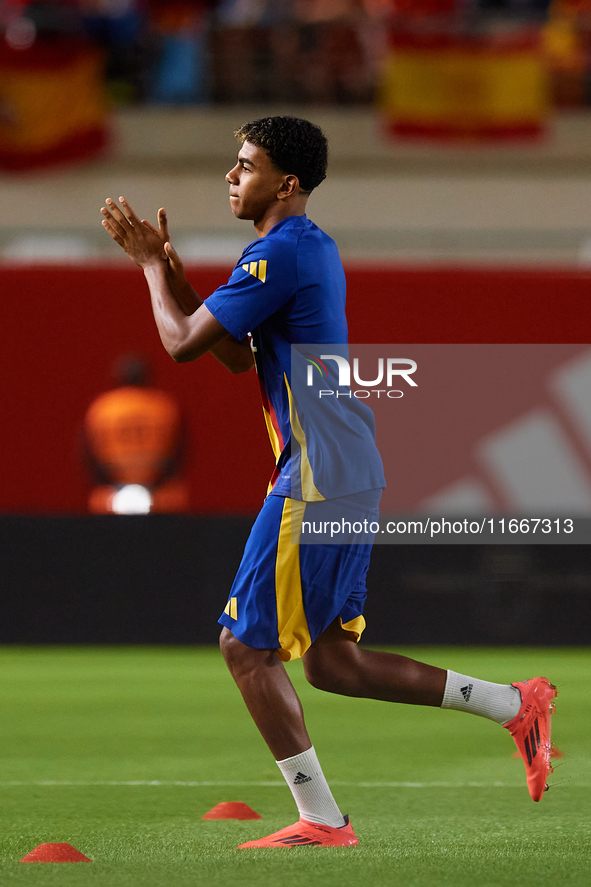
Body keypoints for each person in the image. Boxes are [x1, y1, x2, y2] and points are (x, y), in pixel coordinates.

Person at [100, 115, 557, 848]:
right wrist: (177, 272)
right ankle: (512, 704)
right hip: (344, 465)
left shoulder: (277, 254)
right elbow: (237, 359)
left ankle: (321, 818)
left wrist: (150, 268)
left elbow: (183, 345)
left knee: (243, 647)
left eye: (244, 164)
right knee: (333, 663)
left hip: (316, 470)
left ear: (285, 183)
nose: (230, 175)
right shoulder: (296, 250)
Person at [83, 353, 189, 514]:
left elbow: (87, 453)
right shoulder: (165, 406)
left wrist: (107, 484)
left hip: (110, 494)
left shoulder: (102, 407)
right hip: (158, 491)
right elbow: (181, 450)